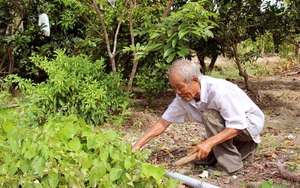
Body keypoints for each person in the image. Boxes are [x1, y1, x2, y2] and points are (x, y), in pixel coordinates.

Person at [132, 59, 265, 175]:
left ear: (195, 81)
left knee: (209, 116)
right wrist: (138, 145)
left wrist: (209, 142)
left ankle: (231, 168)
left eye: (180, 87)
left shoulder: (219, 91)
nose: (177, 92)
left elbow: (237, 125)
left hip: (248, 127)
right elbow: (163, 122)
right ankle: (244, 152)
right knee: (201, 159)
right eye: (173, 88)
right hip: (230, 128)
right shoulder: (182, 98)